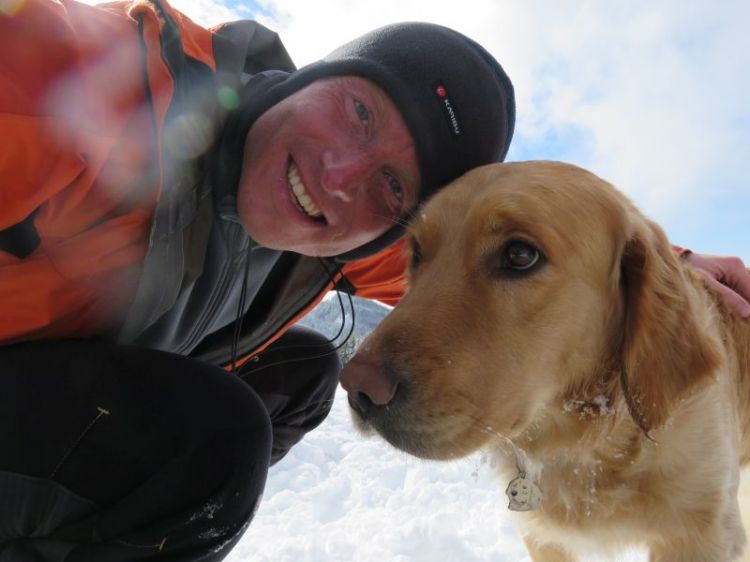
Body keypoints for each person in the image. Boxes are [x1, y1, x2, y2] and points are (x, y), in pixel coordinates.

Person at [0, 0, 747, 560]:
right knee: (209, 440)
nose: (339, 175)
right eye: (359, 111)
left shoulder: (343, 234)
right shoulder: (69, 73)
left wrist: (672, 264)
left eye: (393, 187)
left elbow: (547, 249)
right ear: (319, 74)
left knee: (303, 371)